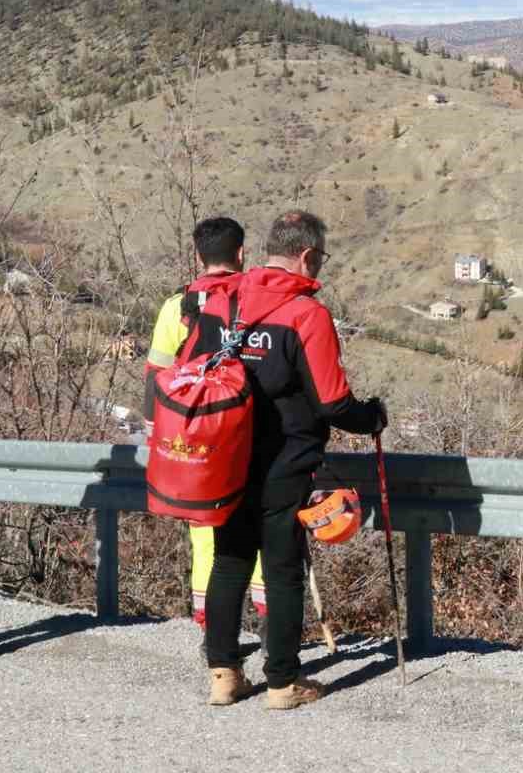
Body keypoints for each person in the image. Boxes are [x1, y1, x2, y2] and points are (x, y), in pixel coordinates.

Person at [201, 210, 386, 708]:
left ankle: (223, 675)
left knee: (229, 561)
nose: (320, 266)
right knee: (282, 570)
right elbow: (333, 403)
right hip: (285, 460)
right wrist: (373, 417)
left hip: (224, 456)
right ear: (306, 255)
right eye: (321, 257)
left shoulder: (223, 301)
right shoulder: (307, 314)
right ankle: (283, 683)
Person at [141, 216, 267, 643]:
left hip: (198, 438)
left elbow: (156, 374)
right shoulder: (259, 300)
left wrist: (158, 435)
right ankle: (271, 631)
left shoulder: (177, 307)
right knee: (262, 528)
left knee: (205, 535)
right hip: (251, 431)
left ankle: (213, 638)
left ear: (198, 256)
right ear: (241, 253)